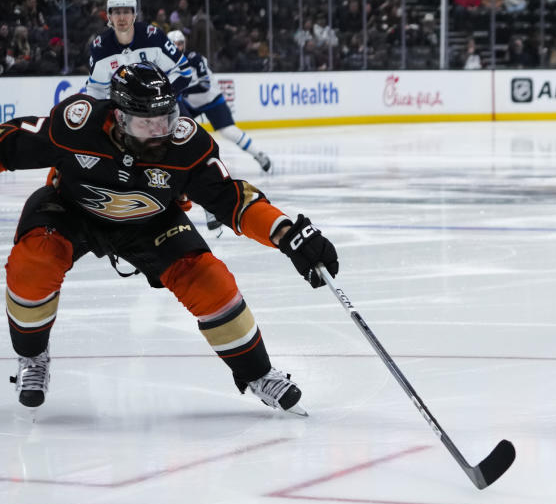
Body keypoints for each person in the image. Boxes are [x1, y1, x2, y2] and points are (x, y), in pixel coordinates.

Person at [1, 63, 338, 414]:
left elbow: (230, 198)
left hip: (152, 221)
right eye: (147, 122)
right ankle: (32, 357)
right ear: (118, 117)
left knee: (209, 280)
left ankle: (258, 373)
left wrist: (286, 234)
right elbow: (9, 143)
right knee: (33, 264)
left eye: (166, 118)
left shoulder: (186, 145)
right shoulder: (76, 125)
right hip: (72, 208)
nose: (160, 131)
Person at [167, 29, 273, 230]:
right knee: (183, 140)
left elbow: (205, 84)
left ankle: (259, 155)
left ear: (185, 43)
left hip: (211, 99)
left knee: (228, 132)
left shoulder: (194, 58)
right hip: (189, 104)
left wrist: (180, 89)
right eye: (175, 44)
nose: (178, 47)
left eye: (180, 43)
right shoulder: (166, 61)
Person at [86, 0, 194, 100]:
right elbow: (96, 89)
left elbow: (183, 71)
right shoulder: (100, 48)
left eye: (126, 12)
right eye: (117, 12)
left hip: (159, 106)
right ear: (109, 17)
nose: (122, 18)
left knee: (184, 118)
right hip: (121, 110)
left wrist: (161, 95)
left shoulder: (153, 37)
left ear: (134, 15)